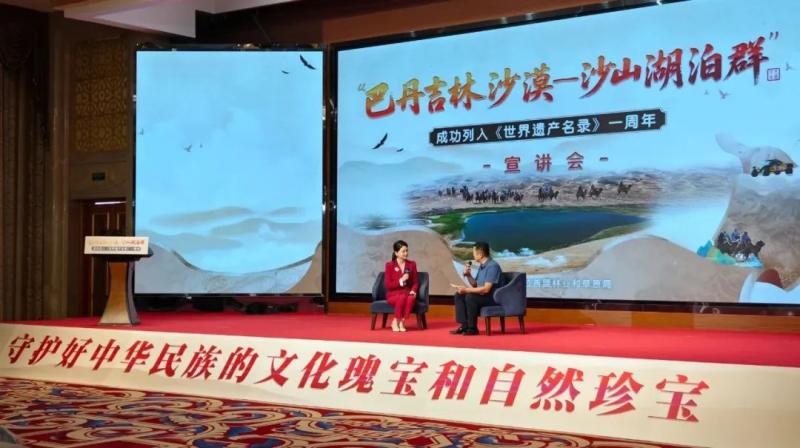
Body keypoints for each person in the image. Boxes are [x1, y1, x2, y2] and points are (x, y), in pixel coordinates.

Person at [451, 241, 502, 336]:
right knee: (459, 295)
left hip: (492, 297)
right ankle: (464, 326)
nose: (473, 255)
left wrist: (466, 290)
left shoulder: (492, 266)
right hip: (483, 295)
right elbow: (475, 285)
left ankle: (472, 328)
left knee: (470, 297)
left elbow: (486, 289)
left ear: (480, 254)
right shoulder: (482, 266)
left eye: (474, 252)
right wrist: (468, 275)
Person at [383, 240, 419, 332]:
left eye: (407, 250)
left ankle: (401, 321)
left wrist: (413, 291)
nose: (406, 253)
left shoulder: (412, 264)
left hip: (407, 293)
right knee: (402, 297)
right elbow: (388, 285)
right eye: (403, 251)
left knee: (411, 298)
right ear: (396, 253)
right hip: (393, 295)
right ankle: (396, 321)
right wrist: (401, 280)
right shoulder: (389, 265)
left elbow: (415, 282)